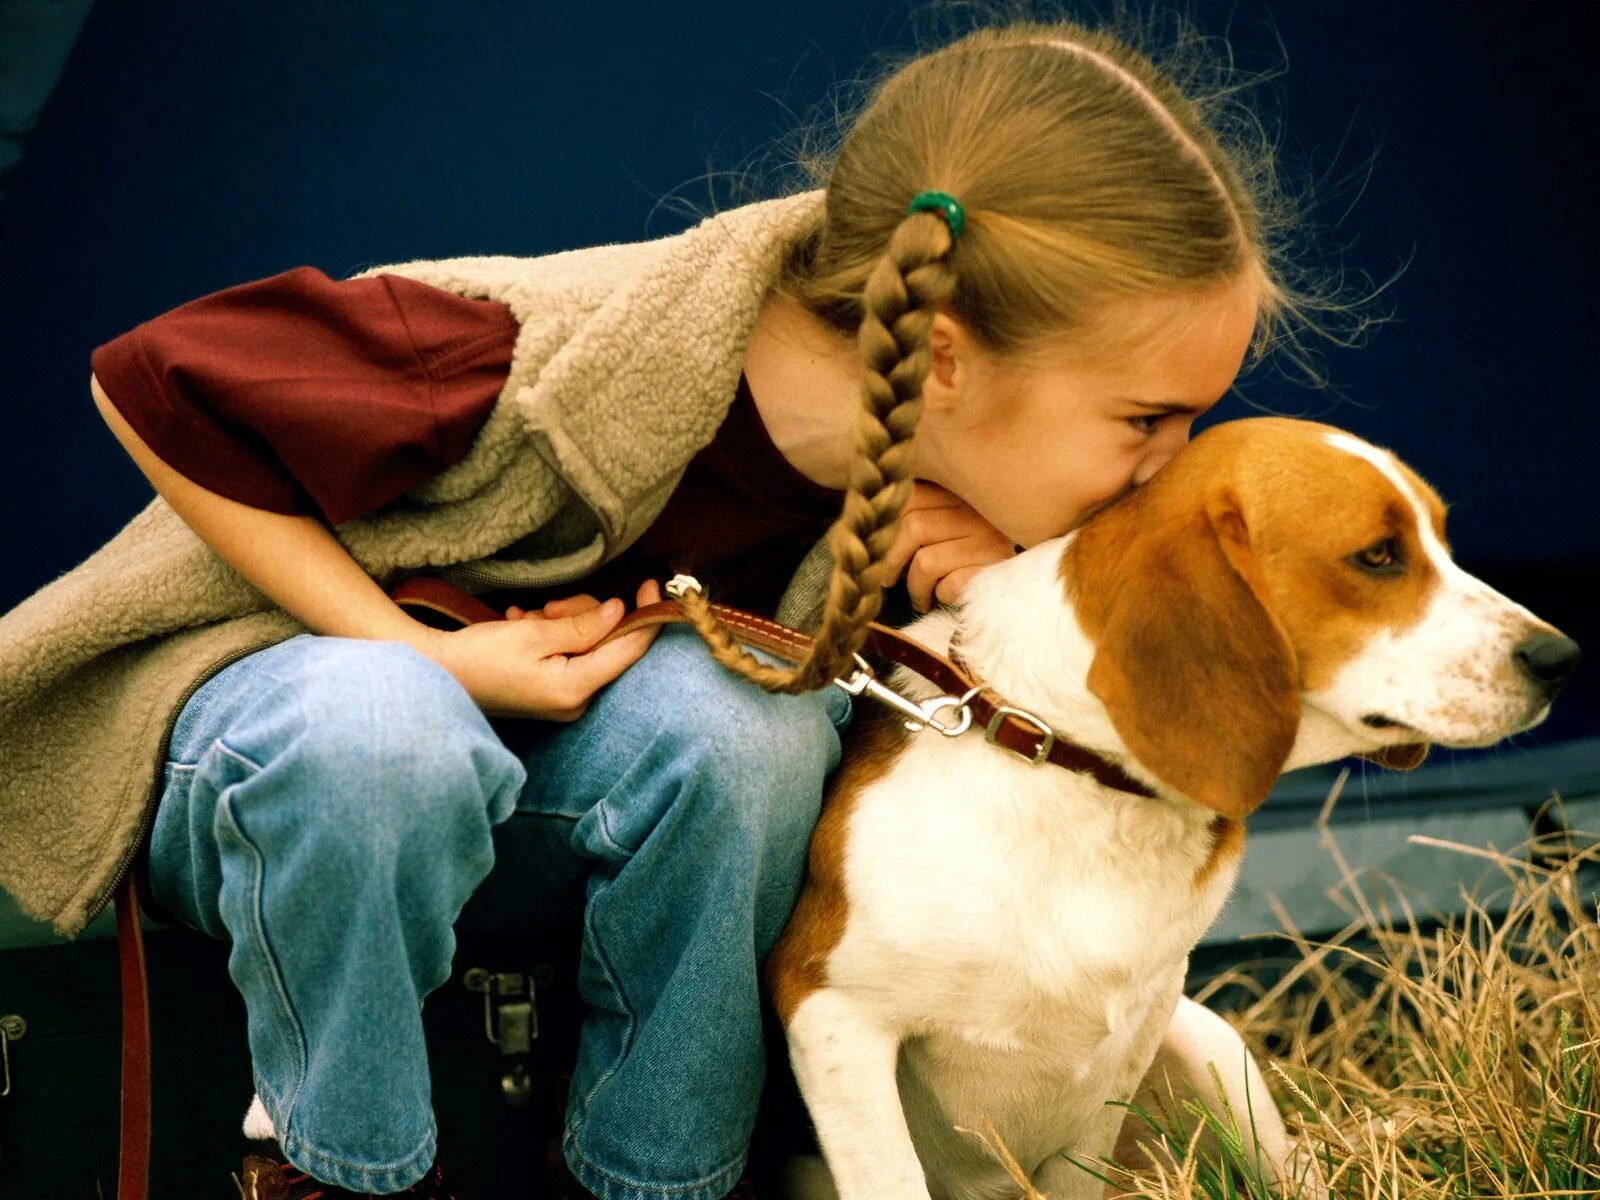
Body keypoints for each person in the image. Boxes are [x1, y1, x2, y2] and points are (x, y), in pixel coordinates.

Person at [0, 14, 1331, 1200]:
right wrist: (417, 649)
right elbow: (149, 379)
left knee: (740, 730)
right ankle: (332, 1168)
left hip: (522, 806)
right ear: (941, 359)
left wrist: (977, 590)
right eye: (1147, 421)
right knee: (382, 717)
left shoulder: (922, 491)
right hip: (274, 766)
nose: (1170, 467)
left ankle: (660, 1178)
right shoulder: (519, 345)